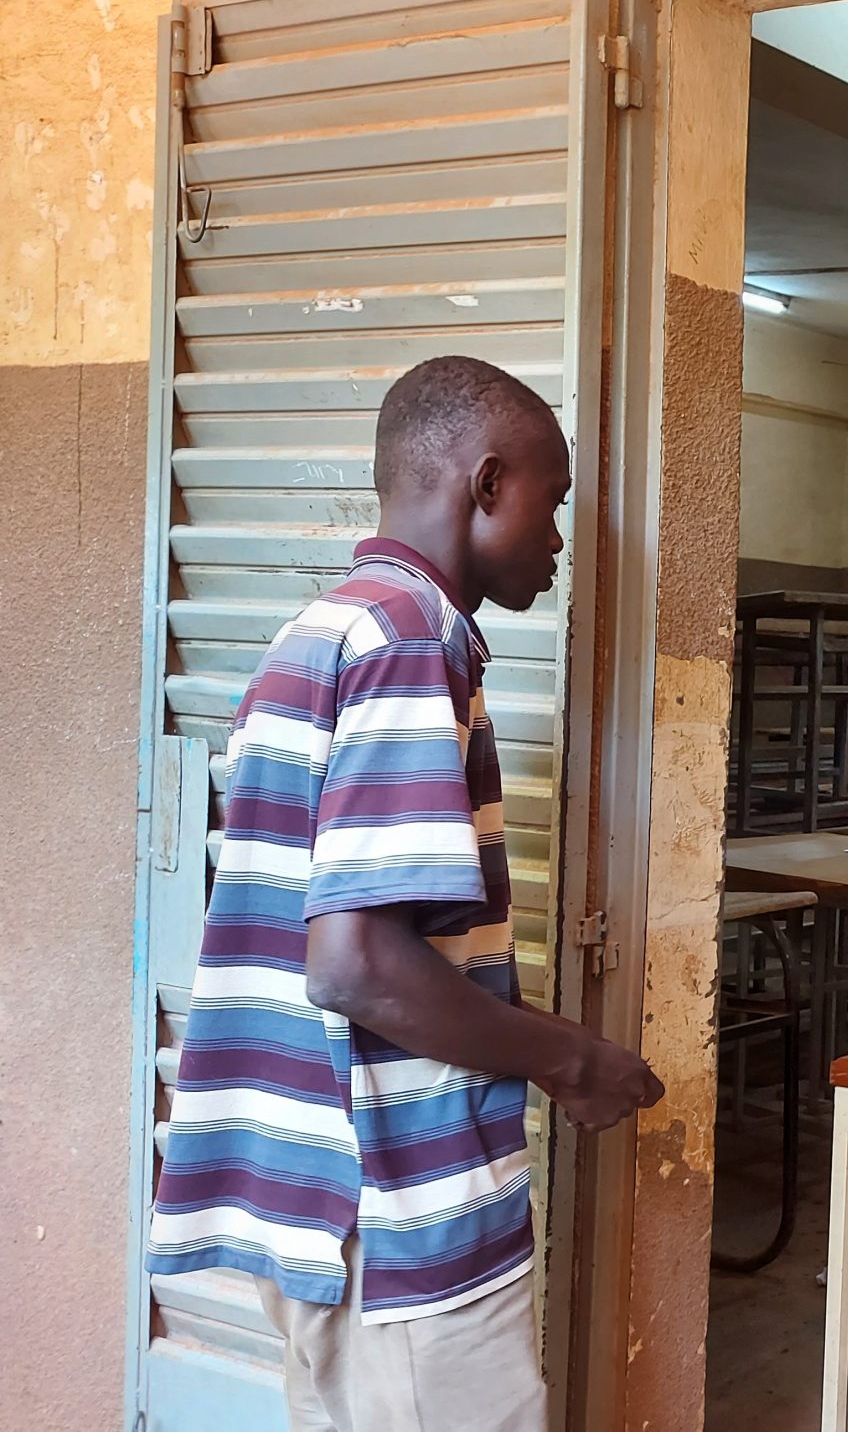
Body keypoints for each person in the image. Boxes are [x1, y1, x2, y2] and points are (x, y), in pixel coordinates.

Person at [144, 358, 664, 1432]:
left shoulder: (320, 633)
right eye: (551, 504)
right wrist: (575, 1061)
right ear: (484, 485)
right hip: (393, 1210)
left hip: (315, 1193)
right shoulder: (407, 643)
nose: (560, 540)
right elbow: (356, 963)